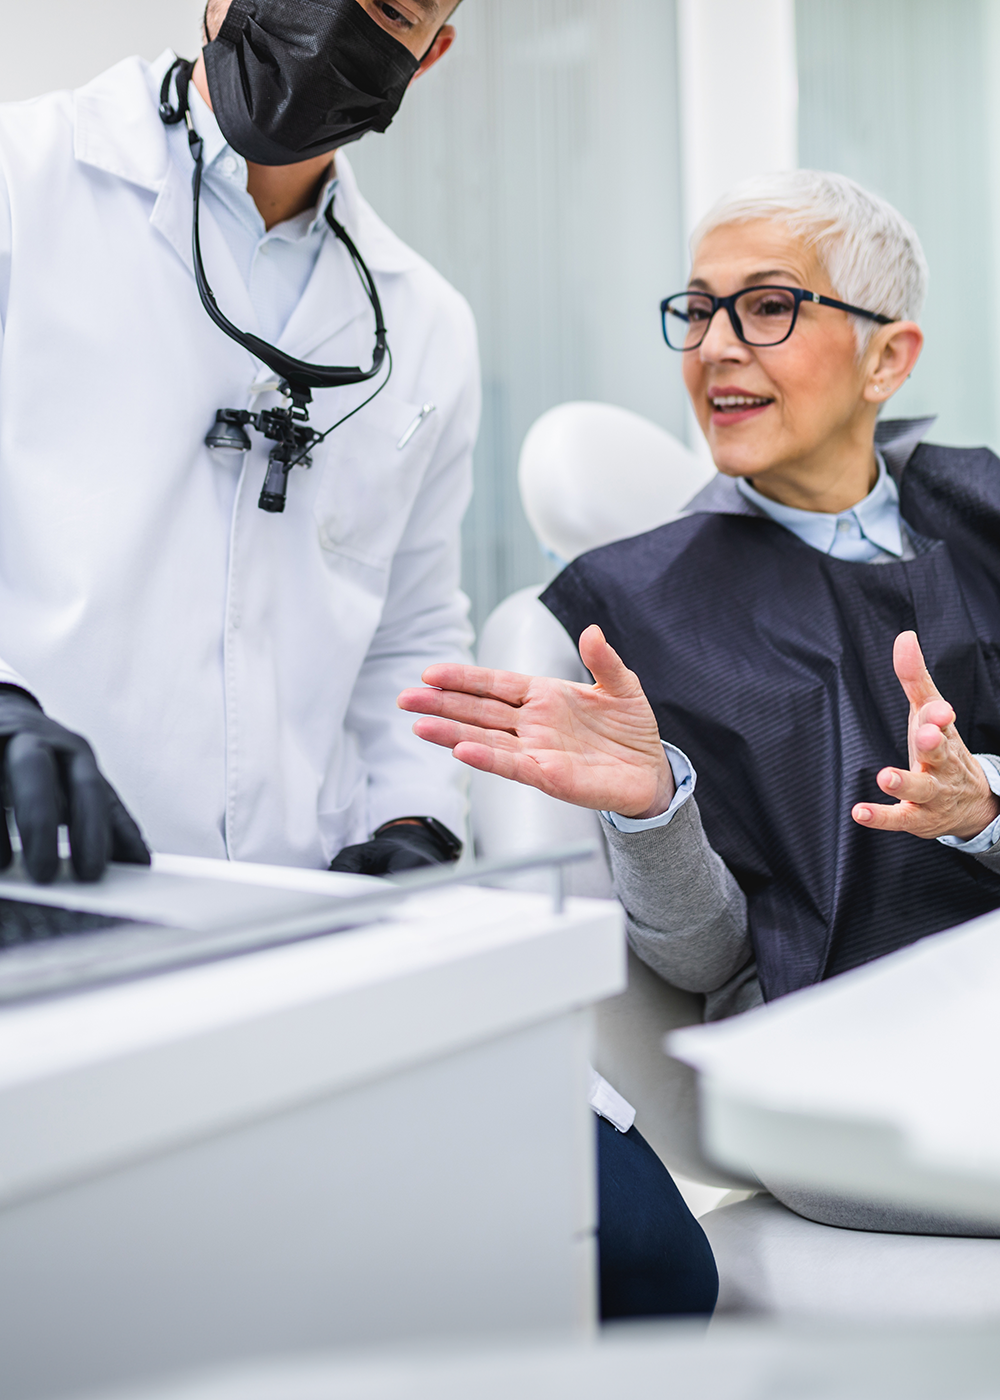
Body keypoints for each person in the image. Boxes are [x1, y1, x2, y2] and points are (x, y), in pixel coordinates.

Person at [400, 170, 1000, 1236]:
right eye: (697, 309)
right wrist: (652, 809)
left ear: (888, 358)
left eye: (767, 306)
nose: (715, 345)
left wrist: (985, 804)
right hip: (841, 1057)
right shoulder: (635, 610)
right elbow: (711, 963)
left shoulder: (980, 509)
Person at [0, 0, 477, 885]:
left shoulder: (427, 323)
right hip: (36, 866)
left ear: (430, 54)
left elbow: (412, 628)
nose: (328, 22)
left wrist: (416, 817)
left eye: (386, 11)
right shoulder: (20, 184)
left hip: (296, 904)